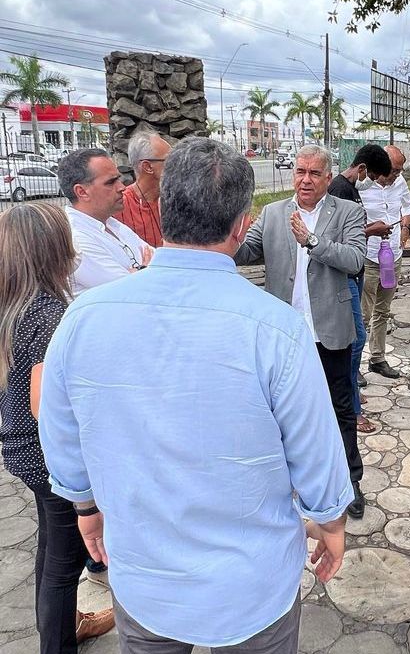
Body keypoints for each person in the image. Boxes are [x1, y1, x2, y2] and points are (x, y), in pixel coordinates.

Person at [39, 137, 352, 653]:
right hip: (252, 586)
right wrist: (331, 520)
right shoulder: (275, 328)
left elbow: (61, 429)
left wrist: (85, 504)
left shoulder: (85, 317)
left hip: (145, 578)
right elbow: (316, 449)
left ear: (163, 210)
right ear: (239, 226)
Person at [0, 203, 115, 653]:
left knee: (52, 552)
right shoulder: (49, 315)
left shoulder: (14, 304)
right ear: (51, 250)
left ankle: (64, 626)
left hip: (22, 449)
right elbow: (46, 407)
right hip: (49, 458)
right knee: (63, 565)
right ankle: (59, 642)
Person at [235, 144, 368, 517]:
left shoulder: (349, 212)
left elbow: (356, 259)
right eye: (300, 171)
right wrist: (228, 237)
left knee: (341, 407)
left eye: (313, 173)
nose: (305, 180)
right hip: (283, 334)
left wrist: (312, 242)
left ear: (328, 177)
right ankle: (288, 481)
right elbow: (246, 253)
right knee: (282, 410)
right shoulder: (274, 213)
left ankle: (349, 480)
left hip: (330, 331)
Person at [327, 143, 394, 434]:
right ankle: (350, 408)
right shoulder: (340, 189)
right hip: (344, 276)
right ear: (363, 169)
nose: (375, 185)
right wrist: (373, 230)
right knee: (355, 339)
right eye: (376, 178)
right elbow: (337, 237)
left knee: (357, 337)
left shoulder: (350, 189)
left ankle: (352, 389)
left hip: (354, 272)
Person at [56, 149, 152, 297]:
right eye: (111, 182)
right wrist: (145, 269)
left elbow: (159, 262)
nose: (122, 187)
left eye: (118, 179)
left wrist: (139, 272)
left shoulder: (112, 224)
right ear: (82, 192)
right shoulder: (75, 239)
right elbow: (134, 290)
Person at [360, 146, 410, 379]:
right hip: (369, 257)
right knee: (362, 314)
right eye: (393, 170)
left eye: (400, 170)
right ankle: (355, 366)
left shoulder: (400, 182)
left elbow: (409, 206)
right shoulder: (362, 186)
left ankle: (377, 359)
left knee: (383, 311)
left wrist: (405, 226)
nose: (397, 174)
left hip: (392, 255)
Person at [112, 128, 172, 247]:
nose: (177, 164)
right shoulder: (118, 207)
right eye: (169, 159)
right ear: (147, 167)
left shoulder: (176, 200)